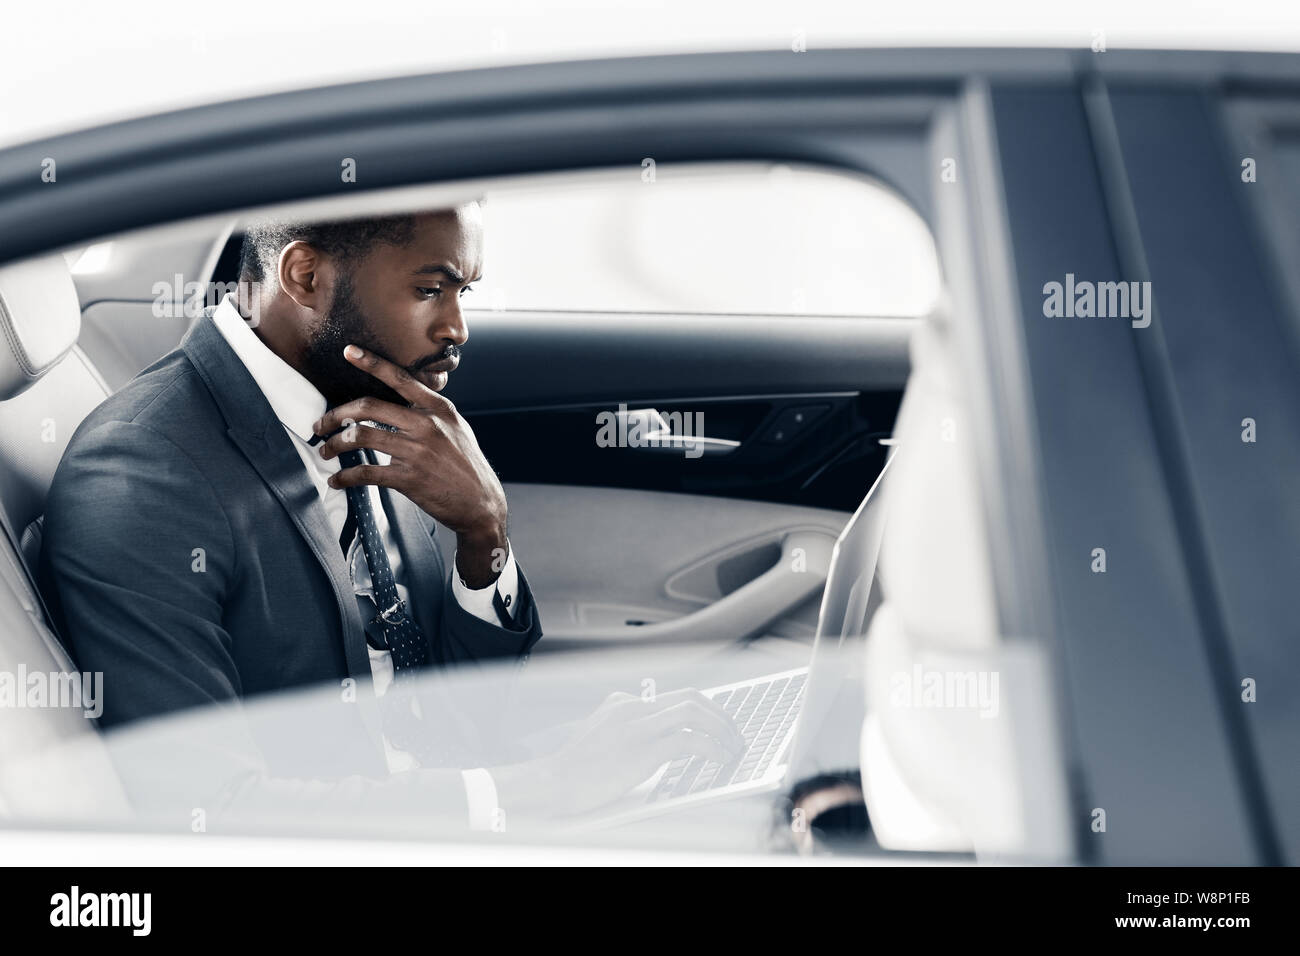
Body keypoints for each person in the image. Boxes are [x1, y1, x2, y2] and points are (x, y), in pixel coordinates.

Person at [39, 202, 742, 826]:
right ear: (305, 276)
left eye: (463, 291)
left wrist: (483, 532)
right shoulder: (143, 470)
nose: (458, 326)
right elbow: (212, 810)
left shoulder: (367, 405)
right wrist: (540, 790)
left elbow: (451, 714)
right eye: (430, 289)